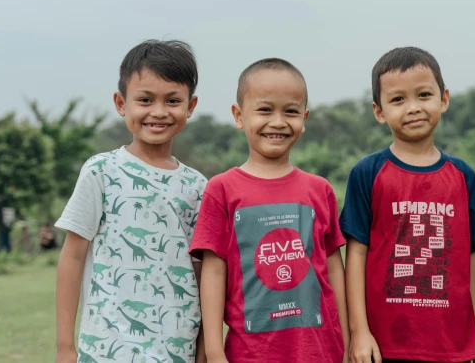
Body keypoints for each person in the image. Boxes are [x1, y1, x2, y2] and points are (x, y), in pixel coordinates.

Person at [54, 40, 207, 363]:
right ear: (121, 103)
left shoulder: (199, 186)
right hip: (107, 349)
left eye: (173, 100)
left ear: (190, 107)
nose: (159, 112)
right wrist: (65, 347)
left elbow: (201, 273)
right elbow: (73, 256)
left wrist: (204, 348)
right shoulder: (101, 170)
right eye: (145, 100)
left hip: (177, 349)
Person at [190, 58, 349, 363]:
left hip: (319, 351)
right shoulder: (222, 189)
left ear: (304, 118)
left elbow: (332, 267)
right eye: (264, 110)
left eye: (290, 111)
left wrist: (348, 336)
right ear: (238, 116)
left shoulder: (320, 190)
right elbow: (213, 269)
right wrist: (213, 349)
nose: (278, 121)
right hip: (249, 353)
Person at [340, 47, 475, 363]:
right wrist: (359, 332)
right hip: (385, 344)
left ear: (443, 99)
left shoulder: (463, 176)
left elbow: (470, 256)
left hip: (450, 345)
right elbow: (357, 253)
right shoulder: (368, 173)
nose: (413, 108)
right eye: (398, 100)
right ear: (379, 111)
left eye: (423, 95)